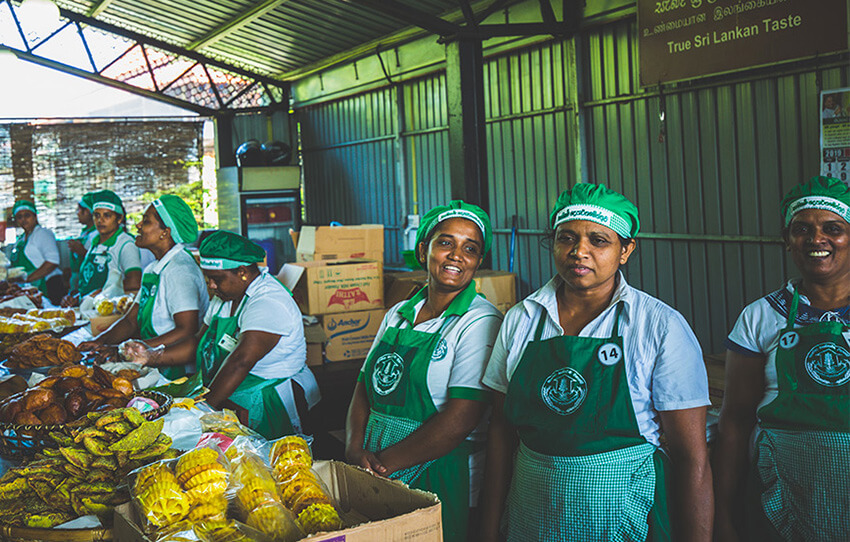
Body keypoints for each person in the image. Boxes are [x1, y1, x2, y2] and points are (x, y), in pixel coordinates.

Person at [480, 183, 713, 542]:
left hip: (620, 513)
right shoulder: (521, 319)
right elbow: (500, 429)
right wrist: (488, 528)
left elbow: (692, 458)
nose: (579, 252)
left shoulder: (659, 326)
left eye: (599, 241)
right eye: (566, 238)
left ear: (626, 250)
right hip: (532, 511)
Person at [345, 201, 503, 542]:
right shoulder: (398, 313)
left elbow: (460, 420)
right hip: (375, 470)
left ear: (478, 261)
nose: (457, 255)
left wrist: (382, 466)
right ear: (423, 250)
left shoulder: (479, 321)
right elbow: (363, 388)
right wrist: (354, 447)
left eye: (470, 249)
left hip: (440, 473)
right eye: (446, 242)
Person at [712, 175, 850, 541]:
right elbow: (736, 421)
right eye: (801, 229)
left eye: (832, 229)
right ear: (787, 242)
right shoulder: (761, 316)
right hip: (782, 492)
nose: (816, 239)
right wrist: (722, 515)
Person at [138, 230, 319, 439]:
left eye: (216, 279)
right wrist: (152, 356)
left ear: (242, 272)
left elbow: (241, 361)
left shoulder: (268, 302)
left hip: (270, 401)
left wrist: (203, 410)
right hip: (230, 393)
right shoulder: (225, 298)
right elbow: (197, 343)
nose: (211, 286)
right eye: (208, 278)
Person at [78, 195, 209, 380]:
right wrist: (100, 341)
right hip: (151, 364)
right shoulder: (153, 269)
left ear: (166, 232)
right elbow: (131, 321)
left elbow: (186, 330)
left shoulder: (180, 270)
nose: (138, 225)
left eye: (146, 221)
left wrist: (134, 350)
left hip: (175, 372)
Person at [63, 189, 141, 306]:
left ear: (119, 219)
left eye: (107, 215)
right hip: (88, 308)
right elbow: (89, 283)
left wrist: (104, 295)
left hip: (109, 313)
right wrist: (76, 298)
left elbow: (134, 284)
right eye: (96, 215)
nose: (100, 220)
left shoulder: (126, 244)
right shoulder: (95, 244)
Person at [9, 199, 65, 305]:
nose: (23, 219)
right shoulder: (20, 240)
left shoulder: (43, 234)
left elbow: (52, 262)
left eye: (27, 215)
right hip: (31, 287)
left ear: (35, 217)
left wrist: (28, 279)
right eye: (19, 217)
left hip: (49, 286)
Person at [68, 192, 97, 292]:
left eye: (80, 210)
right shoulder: (85, 232)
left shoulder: (97, 234)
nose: (78, 213)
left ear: (89, 212)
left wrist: (81, 251)